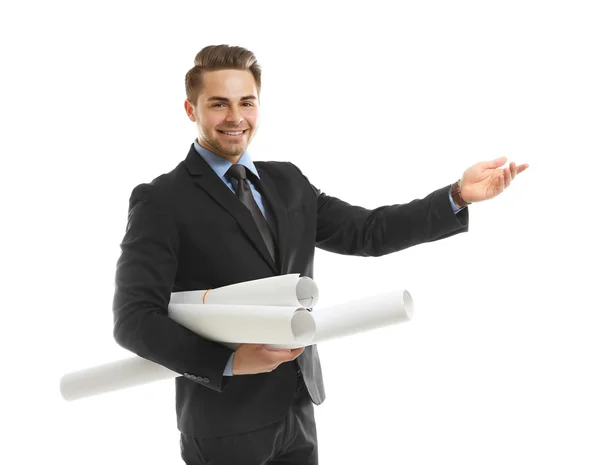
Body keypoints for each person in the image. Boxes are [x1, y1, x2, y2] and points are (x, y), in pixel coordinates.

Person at [112, 44, 528, 465]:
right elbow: (134, 320)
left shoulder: (287, 181)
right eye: (218, 104)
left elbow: (368, 232)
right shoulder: (162, 200)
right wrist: (230, 361)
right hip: (223, 422)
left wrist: (457, 195)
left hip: (297, 407)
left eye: (247, 102)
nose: (236, 118)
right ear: (191, 109)